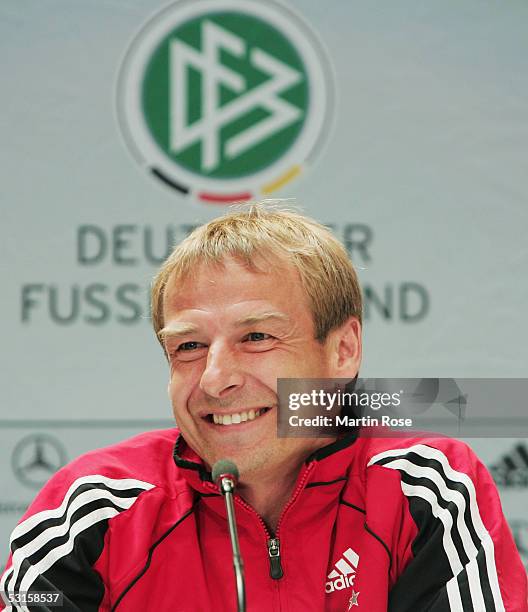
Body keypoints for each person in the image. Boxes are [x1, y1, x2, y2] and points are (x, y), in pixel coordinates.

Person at [1, 205, 526, 611]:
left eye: (256, 337)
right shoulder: (91, 509)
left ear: (343, 350)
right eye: (188, 346)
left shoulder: (426, 486)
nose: (215, 378)